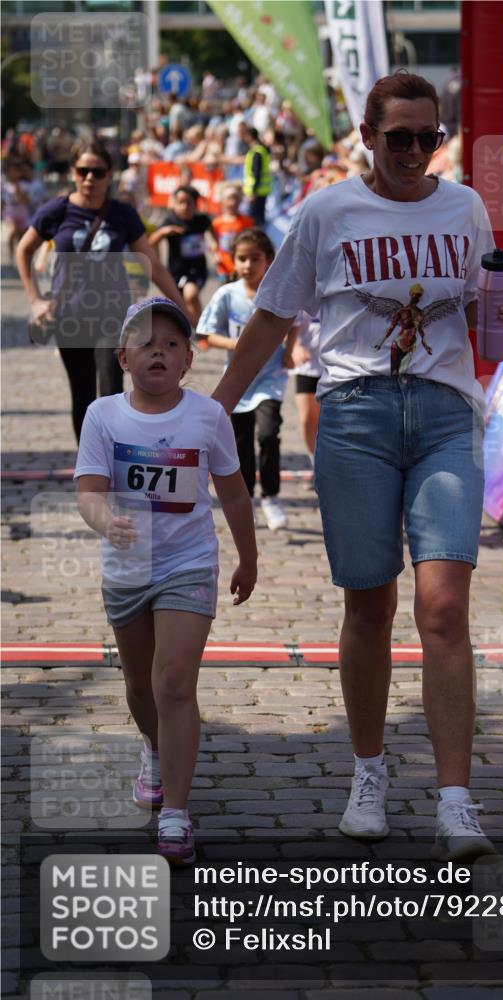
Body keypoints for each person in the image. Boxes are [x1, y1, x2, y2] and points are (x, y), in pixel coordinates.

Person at [211, 72, 503, 861]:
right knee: (369, 607)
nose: (416, 152)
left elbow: (487, 327)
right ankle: (368, 772)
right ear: (366, 136)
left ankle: (455, 800)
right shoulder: (326, 211)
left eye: (430, 137)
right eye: (400, 138)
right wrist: (214, 405)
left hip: (446, 414)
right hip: (355, 416)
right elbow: (273, 315)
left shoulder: (463, 208)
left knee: (444, 606)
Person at [74, 296, 257, 864]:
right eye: (147, 342)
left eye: (172, 343)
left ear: (188, 360)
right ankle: (154, 750)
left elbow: (231, 491)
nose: (160, 350)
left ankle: (176, 811)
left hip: (188, 566)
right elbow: (88, 491)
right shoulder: (103, 415)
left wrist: (247, 557)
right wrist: (107, 520)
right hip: (128, 572)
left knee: (173, 681)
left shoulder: (207, 418)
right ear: (123, 356)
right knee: (140, 687)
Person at [16, 142, 185, 442]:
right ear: (73, 172)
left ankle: (112, 459)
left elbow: (153, 265)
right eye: (83, 171)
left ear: (110, 175)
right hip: (70, 316)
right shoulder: (58, 210)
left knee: (110, 390)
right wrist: (35, 300)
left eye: (97, 172)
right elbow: (23, 250)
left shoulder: (122, 214)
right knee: (81, 393)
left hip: (113, 315)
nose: (89, 178)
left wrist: (180, 306)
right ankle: (89, 465)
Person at [197, 229, 295, 532]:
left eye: (256, 258)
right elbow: (204, 333)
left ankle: (271, 496)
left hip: (271, 378)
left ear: (269, 260)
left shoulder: (277, 291)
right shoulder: (228, 294)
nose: (249, 265)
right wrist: (236, 346)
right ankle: (248, 499)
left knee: (268, 433)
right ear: (233, 262)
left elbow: (297, 322)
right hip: (240, 381)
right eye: (242, 259)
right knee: (240, 443)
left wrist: (291, 350)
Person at [148, 185, 216, 326]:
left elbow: (212, 232)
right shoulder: (170, 221)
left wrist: (214, 244)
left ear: (195, 204)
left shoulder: (202, 220)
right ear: (175, 203)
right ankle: (194, 325)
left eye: (188, 203)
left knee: (190, 294)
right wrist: (163, 232)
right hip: (176, 270)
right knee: (183, 302)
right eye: (180, 202)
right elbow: (150, 242)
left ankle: (201, 327)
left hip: (198, 269)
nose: (184, 206)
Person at [291, 312, 322, 472]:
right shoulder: (303, 289)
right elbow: (281, 325)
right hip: (307, 366)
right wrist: (295, 346)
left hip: (335, 367)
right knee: (308, 419)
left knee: (330, 420)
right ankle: (315, 463)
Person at [211, 183, 254, 283]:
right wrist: (214, 254)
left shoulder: (247, 221)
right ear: (222, 201)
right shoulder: (216, 223)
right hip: (223, 268)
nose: (233, 202)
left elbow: (252, 241)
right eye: (230, 198)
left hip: (241, 267)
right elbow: (214, 242)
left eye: (236, 198)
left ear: (240, 200)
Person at [239, 124, 272, 228]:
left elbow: (257, 172)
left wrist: (253, 192)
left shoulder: (256, 152)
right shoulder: (259, 150)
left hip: (256, 192)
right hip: (261, 191)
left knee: (255, 222)